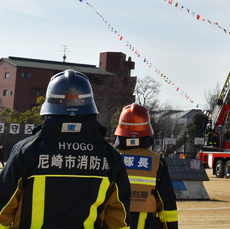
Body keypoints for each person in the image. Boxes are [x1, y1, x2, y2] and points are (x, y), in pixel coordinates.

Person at [0, 69, 130, 228]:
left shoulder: (27, 151)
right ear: (89, 104)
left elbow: (3, 208)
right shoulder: (110, 156)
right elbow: (119, 215)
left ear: (49, 104)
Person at [114, 103, 179, 229]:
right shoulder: (157, 161)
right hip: (145, 224)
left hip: (114, 222)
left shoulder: (111, 158)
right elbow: (167, 202)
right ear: (147, 132)